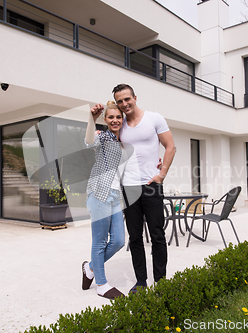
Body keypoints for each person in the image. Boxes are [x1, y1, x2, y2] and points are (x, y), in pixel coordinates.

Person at [114, 83, 175, 294]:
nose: (124, 104)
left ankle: (161, 281)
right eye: (120, 101)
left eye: (126, 99)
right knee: (135, 237)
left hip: (151, 186)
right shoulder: (119, 124)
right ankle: (141, 281)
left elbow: (170, 146)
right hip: (129, 187)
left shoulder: (154, 118)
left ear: (135, 97)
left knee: (157, 234)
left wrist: (162, 174)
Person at [82, 101, 128, 300]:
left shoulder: (123, 141)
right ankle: (101, 283)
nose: (115, 120)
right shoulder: (103, 137)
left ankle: (90, 267)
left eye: (118, 117)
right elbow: (89, 142)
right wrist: (91, 119)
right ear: (105, 120)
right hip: (100, 193)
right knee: (99, 242)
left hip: (115, 196)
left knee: (118, 241)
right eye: (111, 117)